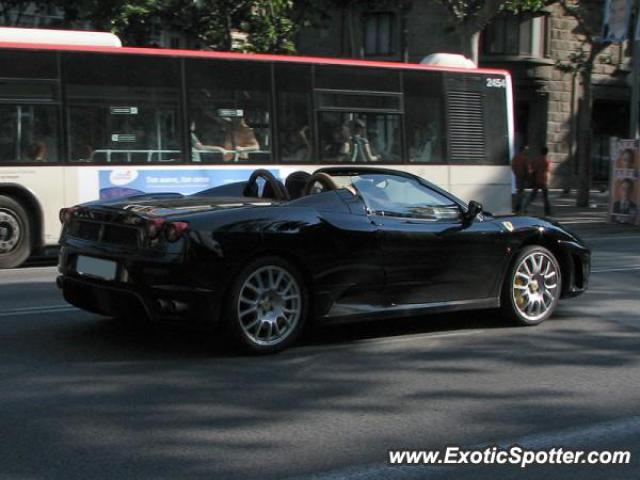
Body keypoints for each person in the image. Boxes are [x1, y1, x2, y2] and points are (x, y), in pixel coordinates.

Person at [524, 146, 552, 215]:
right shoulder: (546, 161)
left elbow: (532, 169)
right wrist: (548, 180)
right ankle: (547, 211)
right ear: (546, 153)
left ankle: (524, 207)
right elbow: (547, 171)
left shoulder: (536, 160)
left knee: (532, 195)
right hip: (543, 180)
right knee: (545, 197)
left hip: (537, 180)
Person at [512, 145, 530, 214]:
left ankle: (517, 208)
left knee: (519, 192)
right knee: (521, 193)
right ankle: (519, 208)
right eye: (526, 150)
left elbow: (513, 166)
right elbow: (527, 169)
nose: (527, 151)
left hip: (518, 176)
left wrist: (516, 173)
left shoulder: (515, 158)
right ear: (523, 150)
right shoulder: (525, 158)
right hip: (522, 177)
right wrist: (528, 178)